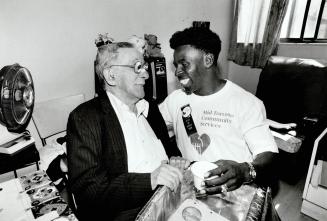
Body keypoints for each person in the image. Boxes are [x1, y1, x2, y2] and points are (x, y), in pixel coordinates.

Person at [66, 41, 189, 221]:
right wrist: (150, 180)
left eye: (145, 67)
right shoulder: (85, 118)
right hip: (128, 214)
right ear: (111, 75)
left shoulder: (151, 109)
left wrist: (175, 160)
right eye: (137, 67)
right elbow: (89, 192)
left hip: (170, 201)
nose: (146, 74)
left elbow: (170, 150)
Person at [159, 26, 279, 195]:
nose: (178, 72)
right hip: (193, 190)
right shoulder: (176, 99)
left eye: (184, 64)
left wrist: (244, 170)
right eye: (176, 65)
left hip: (234, 192)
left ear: (208, 60)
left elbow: (269, 156)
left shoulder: (245, 103)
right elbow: (151, 126)